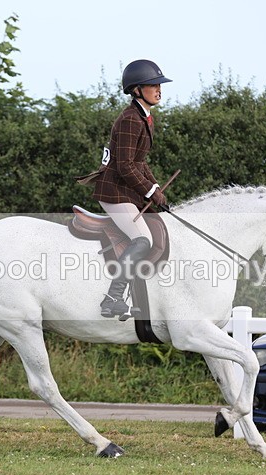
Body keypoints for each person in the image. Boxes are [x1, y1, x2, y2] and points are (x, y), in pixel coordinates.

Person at [92, 59, 172, 319]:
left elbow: (140, 161)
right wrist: (149, 192)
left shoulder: (144, 116)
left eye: (159, 85)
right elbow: (125, 166)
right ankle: (113, 297)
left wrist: (156, 187)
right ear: (137, 89)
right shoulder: (130, 120)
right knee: (142, 239)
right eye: (153, 85)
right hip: (114, 191)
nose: (159, 89)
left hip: (125, 188)